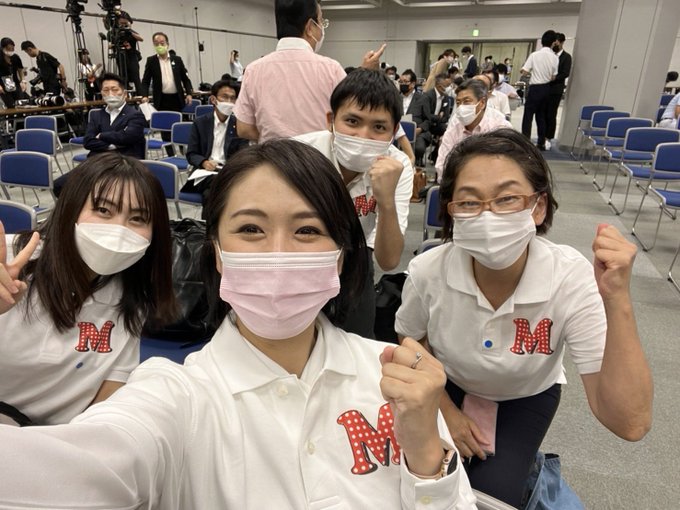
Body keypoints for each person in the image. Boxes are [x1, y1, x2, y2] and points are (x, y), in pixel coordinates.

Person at [0, 139, 477, 509]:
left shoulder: (394, 379)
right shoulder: (178, 394)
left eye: (307, 230)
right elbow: (87, 465)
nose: (278, 252)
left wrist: (425, 458)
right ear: (218, 254)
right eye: (250, 229)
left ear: (339, 256)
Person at [395, 129, 653, 507]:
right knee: (418, 478)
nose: (487, 215)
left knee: (494, 495)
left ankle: (532, 470)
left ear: (538, 207)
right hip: (449, 386)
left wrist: (618, 300)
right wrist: (443, 408)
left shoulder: (569, 277)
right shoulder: (427, 271)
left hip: (526, 394)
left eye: (507, 198)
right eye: (469, 202)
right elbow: (410, 340)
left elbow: (630, 423)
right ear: (451, 211)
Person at [0, 152, 176, 426]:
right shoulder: (12, 261)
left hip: (56, 439)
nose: (118, 230)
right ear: (72, 208)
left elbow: (109, 391)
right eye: (103, 210)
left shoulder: (131, 297)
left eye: (138, 219)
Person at [295, 69, 413, 337]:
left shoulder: (398, 166)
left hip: (357, 256)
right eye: (352, 121)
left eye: (379, 127)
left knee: (357, 342)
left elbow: (389, 260)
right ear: (331, 120)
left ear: (394, 131)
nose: (363, 136)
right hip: (300, 256)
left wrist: (386, 201)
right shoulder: (300, 154)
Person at [234, 0, 386, 142]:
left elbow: (244, 129)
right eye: (321, 21)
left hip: (271, 157)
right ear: (310, 27)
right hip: (318, 158)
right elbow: (352, 120)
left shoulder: (254, 70)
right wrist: (365, 73)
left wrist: (275, 141)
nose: (322, 28)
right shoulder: (330, 69)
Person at [181, 79, 249, 205]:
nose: (229, 102)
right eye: (225, 97)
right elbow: (192, 153)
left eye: (233, 98)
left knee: (212, 192)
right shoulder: (200, 123)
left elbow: (243, 154)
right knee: (218, 186)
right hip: (204, 172)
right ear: (213, 99)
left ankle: (211, 219)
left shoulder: (239, 125)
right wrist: (204, 162)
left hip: (228, 172)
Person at [434, 79, 512, 182]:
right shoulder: (454, 129)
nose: (461, 107)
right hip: (459, 184)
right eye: (458, 103)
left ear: (482, 103)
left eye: (467, 101)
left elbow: (507, 166)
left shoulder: (499, 127)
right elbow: (442, 166)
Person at [520, 30, 559, 151]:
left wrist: (531, 72)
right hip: (546, 88)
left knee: (528, 116)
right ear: (553, 43)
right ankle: (541, 143)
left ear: (542, 41)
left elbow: (524, 71)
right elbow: (553, 77)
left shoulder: (534, 55)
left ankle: (525, 142)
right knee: (541, 116)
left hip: (535, 88)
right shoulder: (555, 58)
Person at [545, 33, 572, 149]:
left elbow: (565, 73)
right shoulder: (549, 55)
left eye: (556, 44)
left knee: (551, 113)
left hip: (556, 89)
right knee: (543, 113)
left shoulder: (566, 57)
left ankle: (548, 137)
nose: (554, 46)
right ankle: (541, 136)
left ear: (561, 43)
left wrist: (555, 78)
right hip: (545, 87)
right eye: (553, 44)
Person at [421, 73, 454, 164]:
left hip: (438, 125)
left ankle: (435, 155)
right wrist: (439, 117)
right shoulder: (427, 96)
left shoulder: (446, 98)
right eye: (446, 86)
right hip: (426, 123)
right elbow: (427, 115)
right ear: (439, 86)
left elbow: (446, 117)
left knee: (447, 131)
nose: (448, 88)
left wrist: (438, 119)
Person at [398, 69, 428, 166]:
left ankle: (415, 164)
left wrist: (420, 129)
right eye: (401, 82)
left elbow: (428, 120)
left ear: (413, 84)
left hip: (417, 132)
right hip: (398, 131)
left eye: (405, 82)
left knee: (419, 148)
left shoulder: (422, 98)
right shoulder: (395, 97)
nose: (402, 84)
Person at [112, 10, 143, 95]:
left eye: (124, 23)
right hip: (121, 57)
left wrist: (129, 30)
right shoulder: (116, 32)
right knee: (122, 78)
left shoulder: (131, 31)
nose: (123, 25)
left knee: (136, 77)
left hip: (132, 56)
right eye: (121, 23)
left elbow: (141, 38)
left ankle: (140, 96)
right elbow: (111, 44)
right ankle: (124, 95)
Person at [0, 37, 25, 109]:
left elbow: (20, 70)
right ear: (3, 48)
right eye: (8, 49)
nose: (11, 51)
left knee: (21, 103)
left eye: (12, 48)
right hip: (3, 85)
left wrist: (23, 81)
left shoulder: (15, 57)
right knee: (10, 106)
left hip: (15, 83)